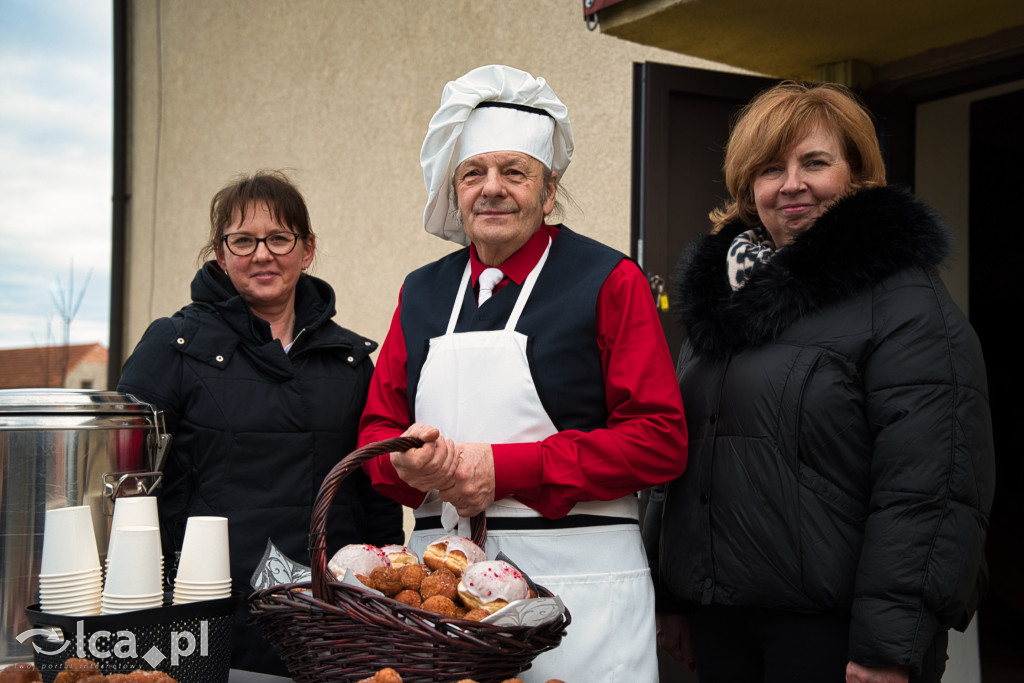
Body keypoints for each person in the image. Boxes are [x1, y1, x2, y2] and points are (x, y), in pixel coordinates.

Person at [646, 81, 995, 683]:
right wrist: (670, 595)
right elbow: (684, 462)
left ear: (856, 175)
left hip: (835, 634)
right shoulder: (720, 303)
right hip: (719, 622)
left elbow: (931, 489)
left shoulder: (904, 301)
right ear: (749, 188)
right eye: (770, 169)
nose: (791, 184)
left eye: (814, 163)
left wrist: (890, 643)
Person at [358, 64, 688, 682]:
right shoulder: (421, 293)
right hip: (441, 595)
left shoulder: (609, 280)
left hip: (581, 592)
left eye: (514, 172)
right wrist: (403, 464)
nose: (492, 189)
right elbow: (378, 430)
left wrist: (505, 468)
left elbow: (659, 440)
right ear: (455, 192)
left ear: (549, 190)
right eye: (473, 173)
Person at [117, 170, 403, 674]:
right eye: (243, 240)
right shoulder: (172, 347)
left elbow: (373, 495)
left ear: (307, 249)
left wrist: (389, 592)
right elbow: (128, 487)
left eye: (279, 238)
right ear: (220, 253)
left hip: (331, 618)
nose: (262, 254)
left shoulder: (349, 362)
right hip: (207, 615)